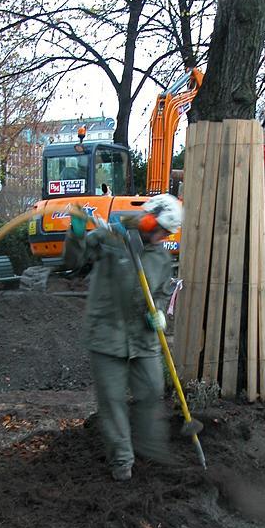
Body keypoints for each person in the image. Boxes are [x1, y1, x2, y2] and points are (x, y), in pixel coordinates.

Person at [61, 194, 182, 481]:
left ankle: (150, 451)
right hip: (107, 334)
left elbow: (163, 292)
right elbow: (73, 260)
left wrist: (161, 313)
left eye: (166, 232)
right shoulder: (110, 239)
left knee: (152, 390)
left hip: (143, 338)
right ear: (147, 218)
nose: (160, 235)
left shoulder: (161, 257)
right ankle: (122, 463)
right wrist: (77, 233)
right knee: (112, 400)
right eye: (158, 227)